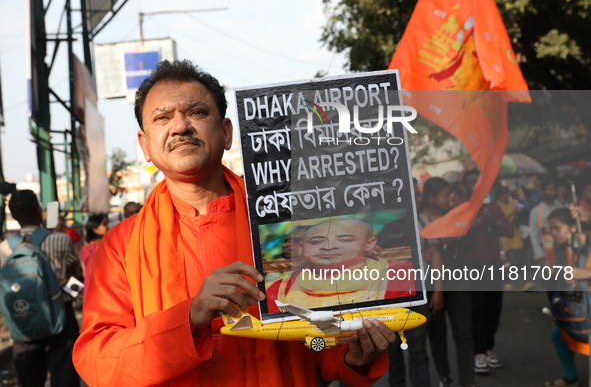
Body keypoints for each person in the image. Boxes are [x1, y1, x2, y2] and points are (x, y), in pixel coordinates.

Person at [72, 60, 393, 387]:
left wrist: (353, 356)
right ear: (145, 146)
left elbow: (323, 341)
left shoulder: (285, 224)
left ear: (226, 133)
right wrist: (190, 317)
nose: (180, 126)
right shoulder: (121, 245)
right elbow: (98, 360)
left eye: (197, 113)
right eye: (162, 117)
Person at [0, 190, 81, 387]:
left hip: (23, 320)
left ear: (15, 216)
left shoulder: (3, 248)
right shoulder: (61, 239)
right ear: (39, 211)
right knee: (65, 380)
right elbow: (77, 280)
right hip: (61, 320)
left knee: (29, 381)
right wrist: (62, 298)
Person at [265, 218, 414, 313]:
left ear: (369, 244)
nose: (328, 247)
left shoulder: (401, 275)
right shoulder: (275, 291)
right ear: (301, 248)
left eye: (345, 240)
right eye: (316, 242)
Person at [387, 178, 444, 387]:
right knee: (393, 350)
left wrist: (438, 290)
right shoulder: (386, 226)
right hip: (391, 300)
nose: (417, 198)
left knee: (418, 349)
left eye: (418, 194)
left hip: (418, 296)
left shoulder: (421, 222)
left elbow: (435, 254)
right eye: (414, 194)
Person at [419, 177, 475, 387]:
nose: (449, 199)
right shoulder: (420, 221)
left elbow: (472, 243)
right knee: (437, 331)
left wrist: (459, 238)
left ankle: (468, 381)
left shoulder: (455, 217)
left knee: (463, 331)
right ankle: (444, 375)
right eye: (445, 195)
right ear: (431, 198)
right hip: (432, 284)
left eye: (450, 194)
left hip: (459, 279)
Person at [457, 169, 513, 375]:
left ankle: (488, 347)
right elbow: (455, 235)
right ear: (465, 186)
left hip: (493, 266)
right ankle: (478, 352)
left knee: (493, 309)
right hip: (470, 266)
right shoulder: (462, 207)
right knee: (477, 310)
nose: (476, 186)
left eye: (479, 182)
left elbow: (510, 231)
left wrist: (493, 220)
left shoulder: (494, 206)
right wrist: (478, 222)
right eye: (472, 182)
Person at [544, 208, 591, 386]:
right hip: (577, 302)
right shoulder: (560, 247)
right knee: (559, 334)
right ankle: (571, 378)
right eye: (551, 229)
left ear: (572, 227)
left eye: (557, 228)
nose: (553, 233)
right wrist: (554, 269)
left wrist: (585, 274)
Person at [529, 177, 562, 263]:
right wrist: (539, 254)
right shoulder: (535, 212)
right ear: (543, 191)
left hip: (561, 249)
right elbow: (533, 234)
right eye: (550, 190)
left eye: (555, 190)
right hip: (545, 252)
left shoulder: (561, 208)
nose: (553, 193)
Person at [80, 214, 109, 301]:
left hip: (90, 289)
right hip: (107, 288)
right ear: (95, 229)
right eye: (104, 224)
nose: (107, 226)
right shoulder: (107, 245)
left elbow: (84, 272)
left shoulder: (85, 248)